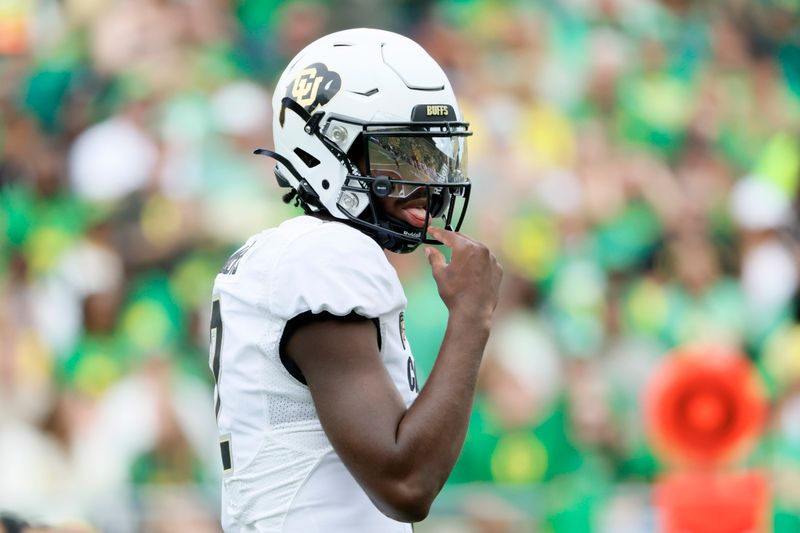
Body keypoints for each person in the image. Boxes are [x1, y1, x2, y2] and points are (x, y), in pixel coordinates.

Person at [209, 28, 502, 532]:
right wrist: (471, 318)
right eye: (401, 157)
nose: (428, 182)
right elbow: (405, 483)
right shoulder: (324, 256)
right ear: (326, 149)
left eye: (433, 157)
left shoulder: (295, 254)